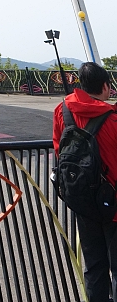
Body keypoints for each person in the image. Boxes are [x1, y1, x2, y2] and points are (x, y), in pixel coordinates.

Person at [52, 62, 117, 301]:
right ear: (105, 86)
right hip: (113, 205)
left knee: (94, 266)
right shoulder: (111, 119)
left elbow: (59, 149)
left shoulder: (63, 111)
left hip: (82, 201)